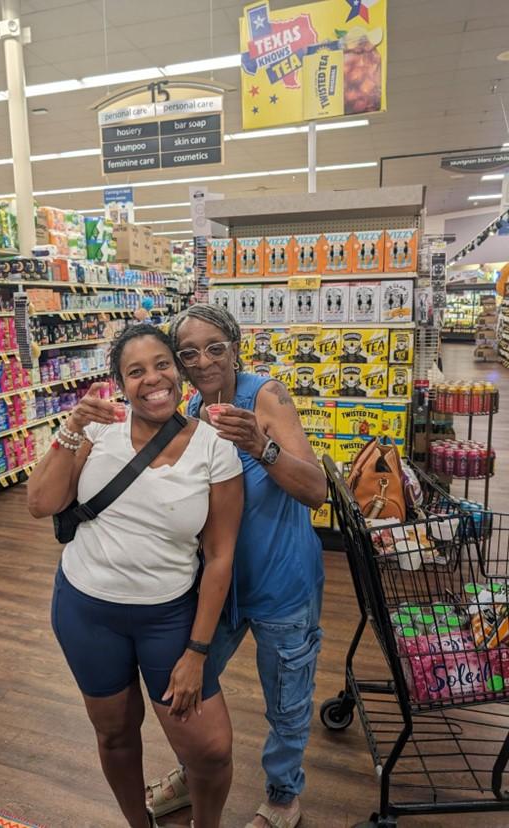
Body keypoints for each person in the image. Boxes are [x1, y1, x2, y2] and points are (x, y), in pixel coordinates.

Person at [27, 324, 243, 828]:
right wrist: (72, 426)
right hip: (86, 611)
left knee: (211, 750)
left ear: (179, 370)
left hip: (168, 619)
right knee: (116, 735)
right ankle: (137, 823)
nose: (153, 380)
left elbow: (219, 558)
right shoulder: (99, 431)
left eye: (162, 364)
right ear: (120, 383)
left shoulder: (214, 447)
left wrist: (197, 651)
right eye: (136, 371)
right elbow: (41, 503)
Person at [147, 305, 326, 828]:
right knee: (187, 689)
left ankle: (283, 798)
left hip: (282, 584)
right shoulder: (190, 412)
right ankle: (194, 770)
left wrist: (261, 446)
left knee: (287, 702)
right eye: (188, 353)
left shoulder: (264, 395)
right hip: (218, 589)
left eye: (214, 348)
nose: (203, 361)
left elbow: (315, 490)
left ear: (234, 345)